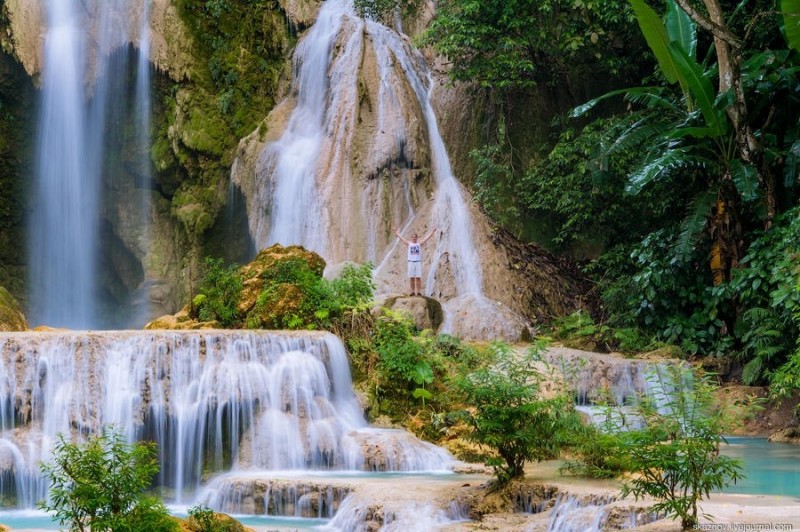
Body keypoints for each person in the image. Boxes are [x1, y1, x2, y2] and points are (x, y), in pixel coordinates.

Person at [393, 225, 437, 296]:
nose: (414, 238)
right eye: (413, 237)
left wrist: (432, 231)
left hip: (418, 262)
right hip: (410, 262)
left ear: (417, 238)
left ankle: (418, 292)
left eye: (415, 237)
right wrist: (396, 232)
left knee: (418, 278)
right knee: (412, 278)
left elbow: (427, 238)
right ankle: (412, 291)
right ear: (411, 238)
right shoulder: (409, 244)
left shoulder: (419, 244)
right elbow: (401, 238)